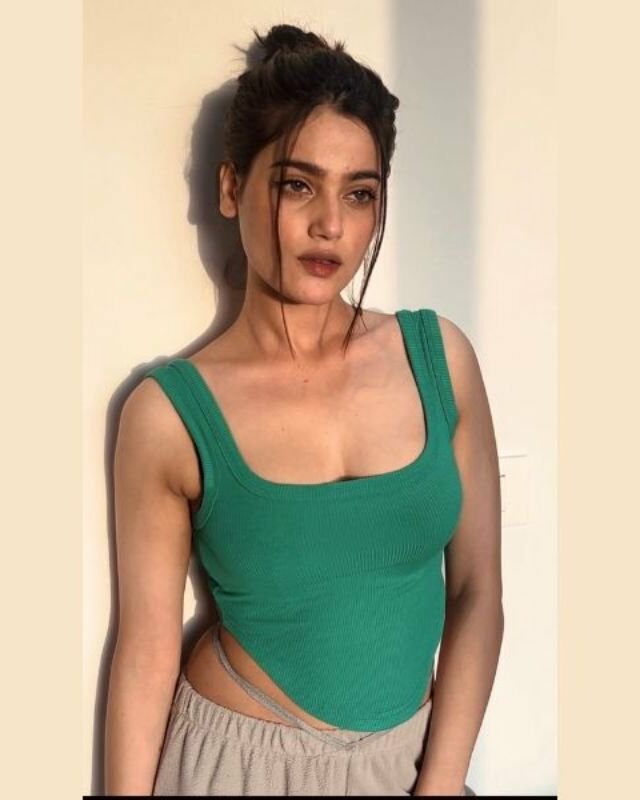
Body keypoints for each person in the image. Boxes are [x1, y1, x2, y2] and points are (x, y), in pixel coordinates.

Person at [104, 23, 503, 797]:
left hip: (410, 764)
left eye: (360, 193)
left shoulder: (440, 361)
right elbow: (145, 651)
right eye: (297, 185)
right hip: (237, 767)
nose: (331, 225)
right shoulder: (169, 416)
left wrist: (441, 783)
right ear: (231, 189)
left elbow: (477, 590)